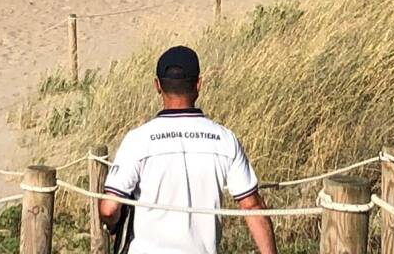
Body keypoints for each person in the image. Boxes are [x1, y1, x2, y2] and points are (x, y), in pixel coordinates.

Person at [98, 46, 277, 254]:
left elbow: (109, 208)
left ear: (157, 85)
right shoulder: (224, 139)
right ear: (199, 84)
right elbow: (252, 207)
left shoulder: (138, 140)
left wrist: (113, 226)